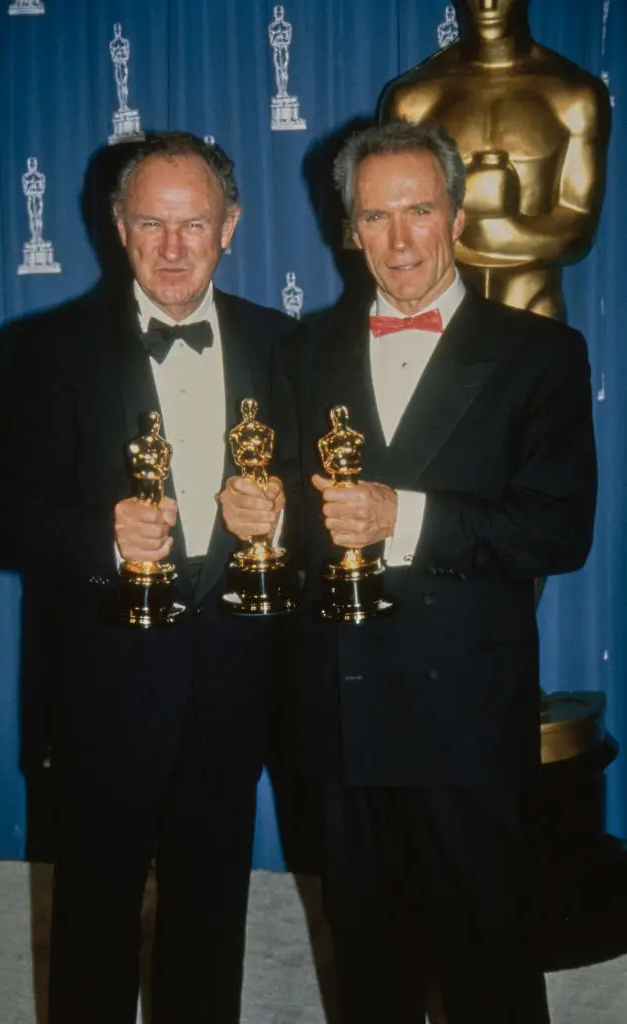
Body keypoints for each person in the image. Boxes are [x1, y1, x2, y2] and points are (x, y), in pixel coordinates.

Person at [272, 117, 597, 1023]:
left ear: (456, 216)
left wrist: (402, 517)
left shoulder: (540, 354)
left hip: (463, 716)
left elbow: (558, 533)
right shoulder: (301, 354)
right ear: (350, 229)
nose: (402, 238)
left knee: (488, 963)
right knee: (368, 968)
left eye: (419, 210)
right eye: (377, 217)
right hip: (339, 709)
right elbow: (295, 523)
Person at [12, 132, 290, 1024]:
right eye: (152, 224)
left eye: (195, 224)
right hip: (101, 695)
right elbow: (0, 518)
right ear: (118, 227)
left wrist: (280, 518)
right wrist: (104, 534)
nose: (174, 248)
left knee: (210, 932)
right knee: (91, 936)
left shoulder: (287, 347)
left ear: (231, 227)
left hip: (233, 690)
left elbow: (332, 508)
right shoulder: (40, 350)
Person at [378, 0, 611, 320]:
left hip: (533, 309)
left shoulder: (575, 95)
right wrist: (488, 218)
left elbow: (577, 232)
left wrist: (491, 224)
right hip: (438, 312)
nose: (487, 4)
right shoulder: (413, 98)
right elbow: (391, 226)